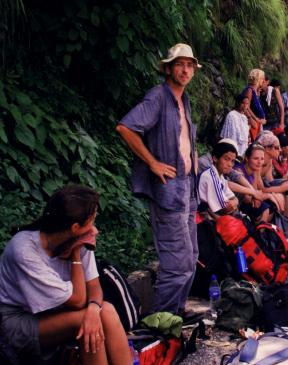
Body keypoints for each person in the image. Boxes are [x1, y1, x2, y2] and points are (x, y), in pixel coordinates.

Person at [116, 43, 201, 319]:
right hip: (170, 190)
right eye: (180, 64)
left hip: (188, 186)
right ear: (168, 68)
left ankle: (176, 312)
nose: (185, 69)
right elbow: (126, 127)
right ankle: (160, 321)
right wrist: (152, 163)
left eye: (189, 65)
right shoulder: (158, 97)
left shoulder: (183, 99)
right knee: (177, 263)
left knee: (190, 257)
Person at [0, 185, 131, 365]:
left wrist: (94, 309)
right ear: (76, 227)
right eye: (92, 221)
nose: (96, 230)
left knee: (105, 310)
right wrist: (76, 254)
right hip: (17, 321)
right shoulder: (24, 251)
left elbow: (94, 287)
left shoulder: (78, 236)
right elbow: (77, 301)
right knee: (83, 322)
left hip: (53, 311)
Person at [198, 141, 239, 217]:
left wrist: (235, 201)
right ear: (215, 158)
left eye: (232, 161)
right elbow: (225, 208)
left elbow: (232, 197)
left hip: (214, 212)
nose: (230, 164)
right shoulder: (210, 176)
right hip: (204, 215)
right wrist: (234, 203)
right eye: (226, 159)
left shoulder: (220, 176)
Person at [241, 69, 267, 141]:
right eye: (262, 78)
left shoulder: (255, 91)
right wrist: (256, 119)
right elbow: (246, 107)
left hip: (257, 125)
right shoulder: (250, 90)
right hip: (252, 124)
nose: (264, 81)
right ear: (258, 79)